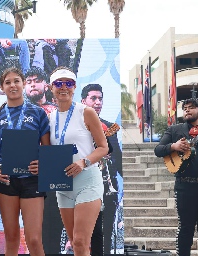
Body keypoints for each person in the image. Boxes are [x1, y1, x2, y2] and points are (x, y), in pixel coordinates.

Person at [0, 67, 49, 256]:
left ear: (23, 84)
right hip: (5, 180)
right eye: (8, 82)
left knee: (34, 239)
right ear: (1, 87)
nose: (12, 85)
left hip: (32, 180)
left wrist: (43, 163)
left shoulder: (39, 113)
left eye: (16, 81)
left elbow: (47, 150)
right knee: (12, 238)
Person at [48, 66, 108, 256]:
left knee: (82, 241)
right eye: (59, 83)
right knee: (74, 242)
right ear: (51, 88)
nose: (63, 87)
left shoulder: (86, 112)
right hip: (63, 185)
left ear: (74, 87)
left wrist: (84, 162)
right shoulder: (49, 117)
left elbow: (103, 147)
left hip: (87, 182)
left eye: (69, 83)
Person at [154, 98, 198, 256]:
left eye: (191, 107)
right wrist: (174, 146)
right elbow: (158, 150)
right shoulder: (174, 130)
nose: (187, 110)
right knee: (186, 228)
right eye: (184, 108)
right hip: (185, 187)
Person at [81, 83, 122, 255]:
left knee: (104, 234)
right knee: (82, 233)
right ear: (84, 101)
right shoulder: (76, 126)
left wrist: (109, 157)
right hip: (82, 185)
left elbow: (118, 159)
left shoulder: (109, 127)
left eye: (100, 99)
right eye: (93, 98)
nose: (98, 102)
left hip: (107, 187)